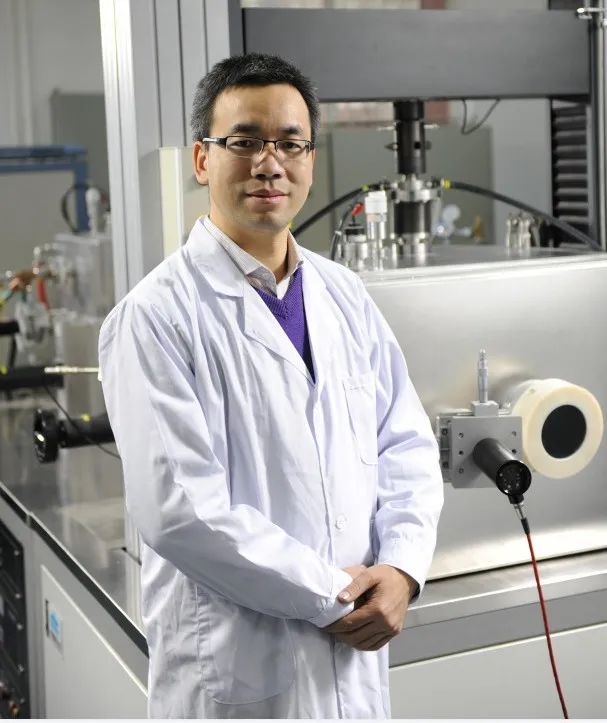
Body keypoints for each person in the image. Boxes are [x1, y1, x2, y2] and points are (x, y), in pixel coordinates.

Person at [99, 53, 443, 719]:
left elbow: (404, 442)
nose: (269, 163)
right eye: (244, 141)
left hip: (354, 662)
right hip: (239, 673)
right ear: (202, 159)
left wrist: (402, 568)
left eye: (290, 143)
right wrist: (332, 593)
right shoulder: (155, 317)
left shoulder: (344, 294)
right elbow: (181, 511)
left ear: (310, 159)